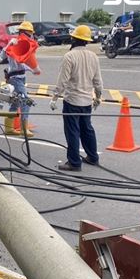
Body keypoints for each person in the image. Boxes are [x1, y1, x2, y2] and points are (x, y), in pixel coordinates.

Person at [53, 25, 103, 172]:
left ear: (73, 39)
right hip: (87, 100)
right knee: (87, 128)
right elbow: (98, 81)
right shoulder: (93, 56)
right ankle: (93, 157)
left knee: (72, 131)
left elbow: (62, 81)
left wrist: (54, 97)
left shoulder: (69, 56)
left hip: (72, 100)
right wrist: (98, 97)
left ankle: (74, 162)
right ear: (86, 41)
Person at [4, 21, 41, 137]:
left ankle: (9, 128)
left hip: (21, 78)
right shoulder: (13, 44)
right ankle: (24, 129)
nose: (30, 36)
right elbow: (2, 56)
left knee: (15, 103)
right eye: (29, 33)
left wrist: (33, 69)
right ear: (23, 32)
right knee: (26, 101)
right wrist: (9, 45)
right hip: (15, 79)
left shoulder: (24, 44)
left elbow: (23, 63)